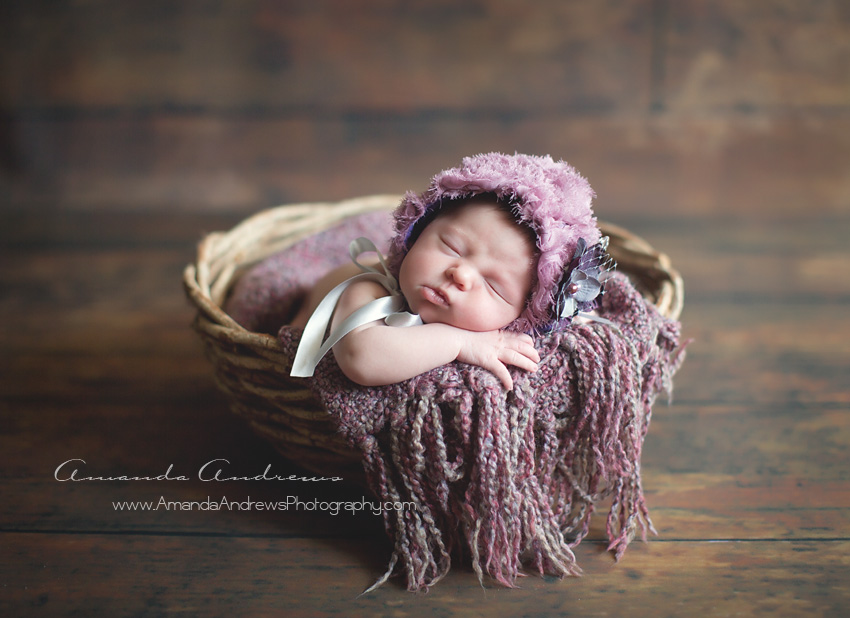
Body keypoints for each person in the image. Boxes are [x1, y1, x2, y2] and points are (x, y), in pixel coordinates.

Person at [290, 152, 610, 390]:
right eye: (452, 247)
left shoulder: (512, 326)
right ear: (416, 232)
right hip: (306, 323)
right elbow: (362, 358)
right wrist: (460, 343)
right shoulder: (371, 289)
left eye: (492, 285)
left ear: (520, 317)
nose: (461, 275)